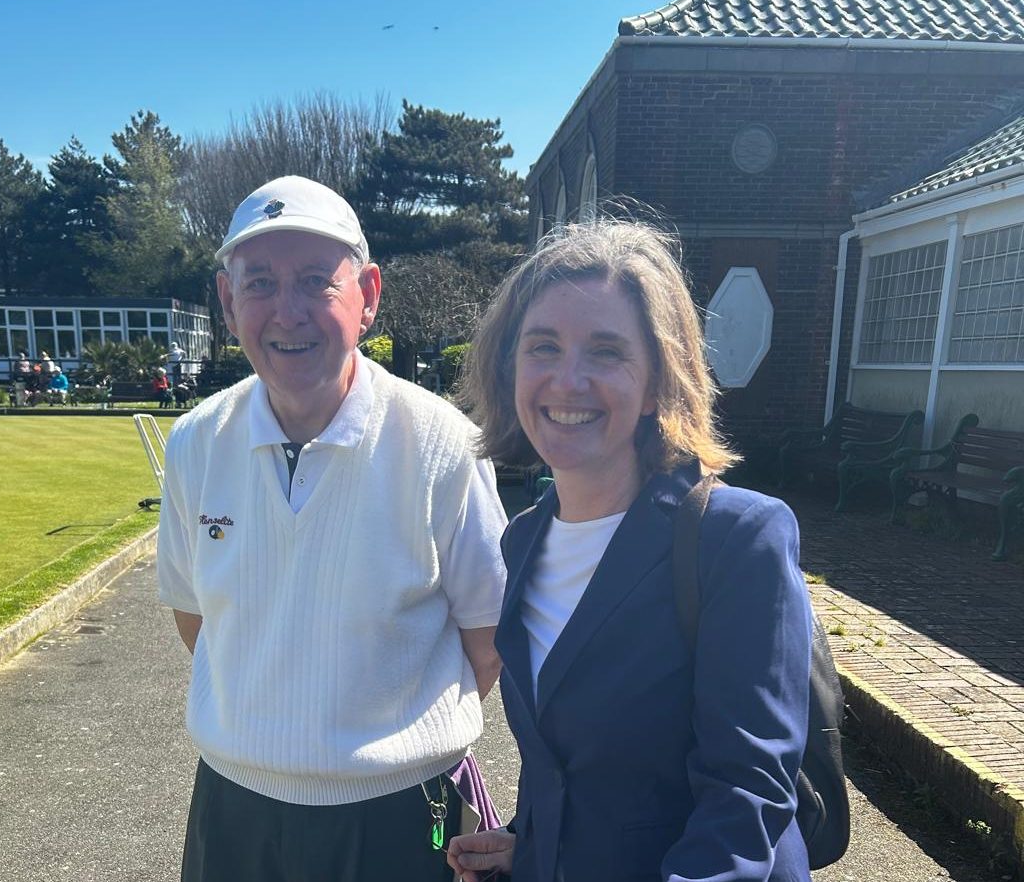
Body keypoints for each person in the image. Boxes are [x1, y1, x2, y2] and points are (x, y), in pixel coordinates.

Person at [157, 175, 509, 882]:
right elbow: (197, 619)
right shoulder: (197, 441)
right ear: (228, 302)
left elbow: (489, 640)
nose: (286, 312)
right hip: (236, 810)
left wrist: (372, 745)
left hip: (404, 810)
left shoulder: (442, 443)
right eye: (258, 283)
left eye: (316, 281)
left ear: (368, 296)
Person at [447, 219, 813, 882]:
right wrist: (528, 840)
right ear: (510, 367)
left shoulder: (737, 538)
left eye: (607, 352)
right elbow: (572, 769)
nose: (568, 380)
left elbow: (745, 797)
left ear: (655, 384)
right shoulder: (523, 537)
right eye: (544, 347)